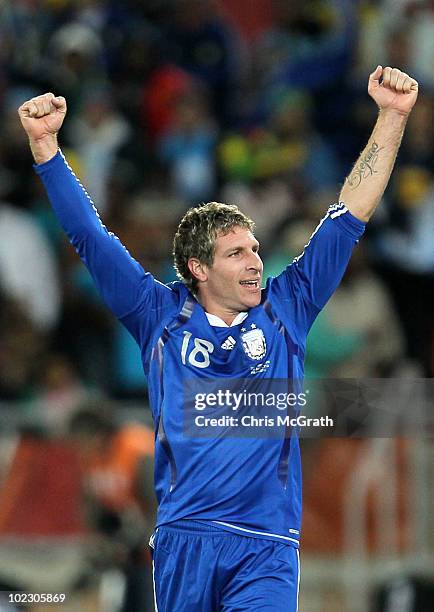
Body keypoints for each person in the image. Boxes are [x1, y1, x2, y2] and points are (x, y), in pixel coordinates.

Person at [18, 65, 418, 611]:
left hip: (266, 548)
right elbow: (89, 237)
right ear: (197, 268)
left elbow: (351, 212)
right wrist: (46, 149)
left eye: (255, 249)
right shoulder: (155, 313)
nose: (256, 263)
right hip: (183, 544)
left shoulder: (289, 306)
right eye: (237, 253)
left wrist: (392, 117)